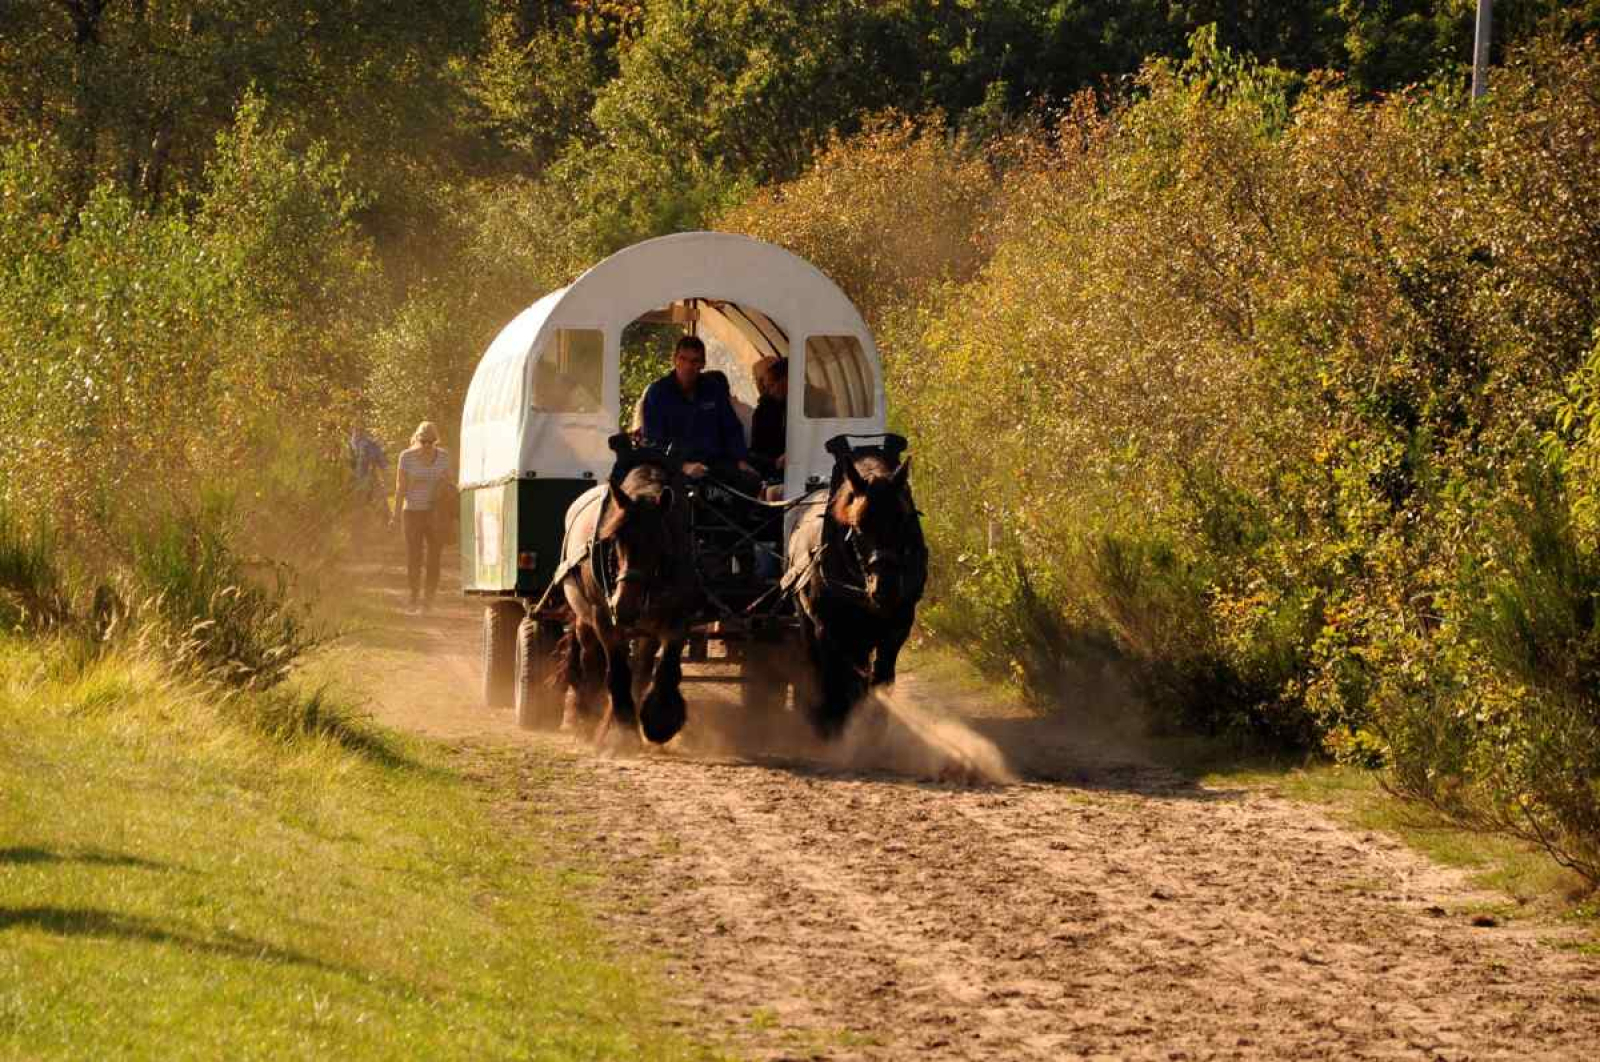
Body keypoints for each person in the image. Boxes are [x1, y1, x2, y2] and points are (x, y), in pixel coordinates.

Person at [640, 335, 759, 489]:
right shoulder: (658, 393)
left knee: (752, 483)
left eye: (695, 361)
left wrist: (740, 459)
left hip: (714, 467)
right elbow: (653, 442)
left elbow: (731, 428)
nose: (688, 366)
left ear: (703, 364)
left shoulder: (713, 389)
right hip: (672, 469)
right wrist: (682, 466)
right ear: (674, 360)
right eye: (683, 359)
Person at [390, 420, 453, 613]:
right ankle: (414, 597)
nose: (427, 445)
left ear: (436, 441)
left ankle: (429, 600)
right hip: (412, 512)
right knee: (414, 556)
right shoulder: (406, 457)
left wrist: (444, 488)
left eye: (431, 441)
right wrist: (395, 515)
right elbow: (400, 488)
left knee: (434, 557)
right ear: (417, 439)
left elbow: (449, 482)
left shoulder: (443, 457)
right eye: (424, 440)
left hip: (435, 513)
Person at [748, 356, 787, 482]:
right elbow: (756, 452)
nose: (768, 389)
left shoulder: (808, 403)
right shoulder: (763, 412)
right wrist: (774, 463)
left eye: (771, 384)